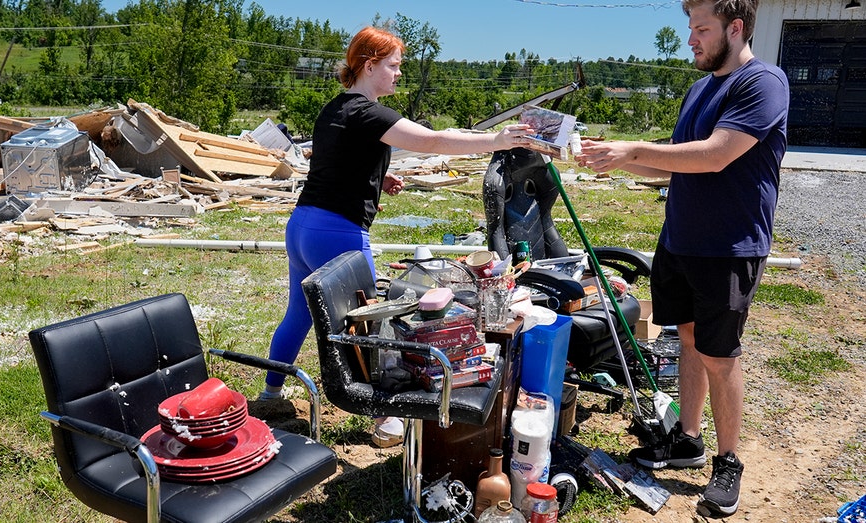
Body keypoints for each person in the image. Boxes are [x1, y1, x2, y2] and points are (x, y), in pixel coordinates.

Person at [260, 26, 534, 448]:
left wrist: (377, 176)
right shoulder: (370, 112)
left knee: (298, 313)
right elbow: (433, 140)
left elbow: (338, 158)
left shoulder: (338, 108)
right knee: (376, 321)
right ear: (369, 65)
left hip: (302, 226)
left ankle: (270, 395)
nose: (398, 73)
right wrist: (494, 140)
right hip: (338, 230)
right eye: (393, 65)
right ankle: (388, 418)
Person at [575, 0, 788, 517]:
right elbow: (676, 166)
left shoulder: (763, 83)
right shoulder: (699, 88)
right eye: (689, 27)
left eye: (702, 28)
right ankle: (688, 440)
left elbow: (717, 154)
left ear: (735, 28)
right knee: (687, 339)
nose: (691, 39)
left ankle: (728, 460)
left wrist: (632, 149)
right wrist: (617, 163)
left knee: (720, 353)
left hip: (728, 248)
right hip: (679, 241)